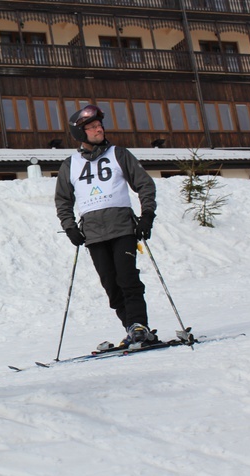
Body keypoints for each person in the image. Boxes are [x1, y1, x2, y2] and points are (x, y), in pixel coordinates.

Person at [55, 105, 157, 348]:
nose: (98, 129)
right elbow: (63, 199)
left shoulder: (119, 154)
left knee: (127, 278)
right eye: (92, 127)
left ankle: (138, 325)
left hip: (122, 228)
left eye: (99, 125)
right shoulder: (70, 165)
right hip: (93, 234)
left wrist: (147, 216)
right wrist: (70, 227)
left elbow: (145, 184)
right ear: (81, 134)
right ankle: (132, 328)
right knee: (111, 286)